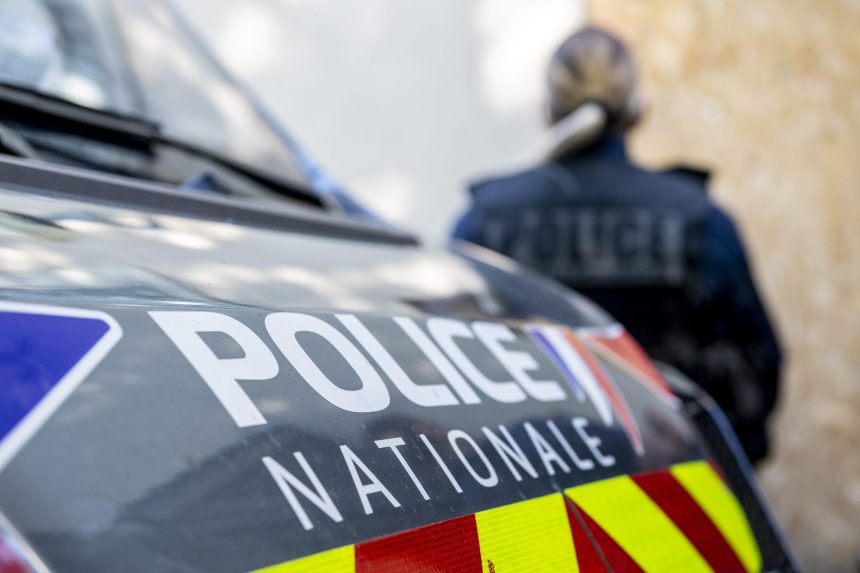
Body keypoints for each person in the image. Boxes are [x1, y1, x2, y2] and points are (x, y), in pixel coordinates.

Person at [452, 27, 782, 464]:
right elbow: (757, 371)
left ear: (547, 112)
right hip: (673, 477)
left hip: (533, 481)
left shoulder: (485, 220)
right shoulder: (697, 218)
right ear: (637, 110)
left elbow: (452, 364)